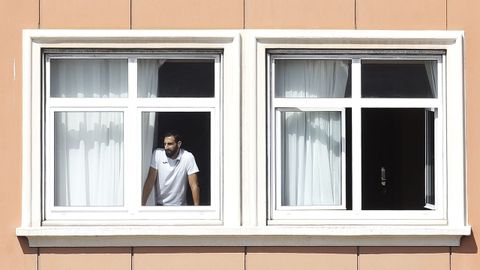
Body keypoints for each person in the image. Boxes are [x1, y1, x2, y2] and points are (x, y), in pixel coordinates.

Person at [142, 131, 200, 206]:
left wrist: (197, 210)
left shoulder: (188, 157)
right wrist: (142, 205)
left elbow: (194, 185)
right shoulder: (157, 154)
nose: (166, 147)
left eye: (169, 144)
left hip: (180, 207)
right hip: (160, 206)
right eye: (164, 144)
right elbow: (150, 181)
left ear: (179, 144)